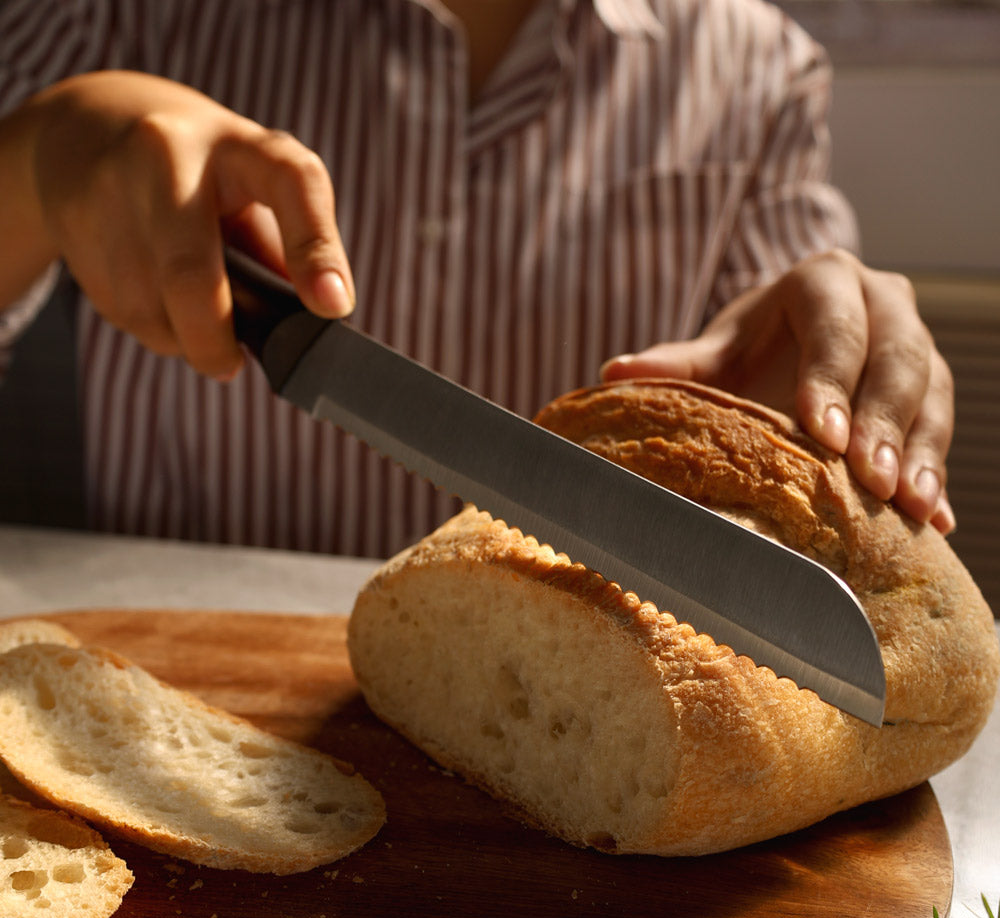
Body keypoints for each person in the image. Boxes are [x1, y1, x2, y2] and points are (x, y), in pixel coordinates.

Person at [0, 0, 955, 560]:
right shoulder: (112, 15)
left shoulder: (759, 72)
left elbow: (795, 397)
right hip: (176, 665)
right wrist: (37, 159)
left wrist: (816, 401)